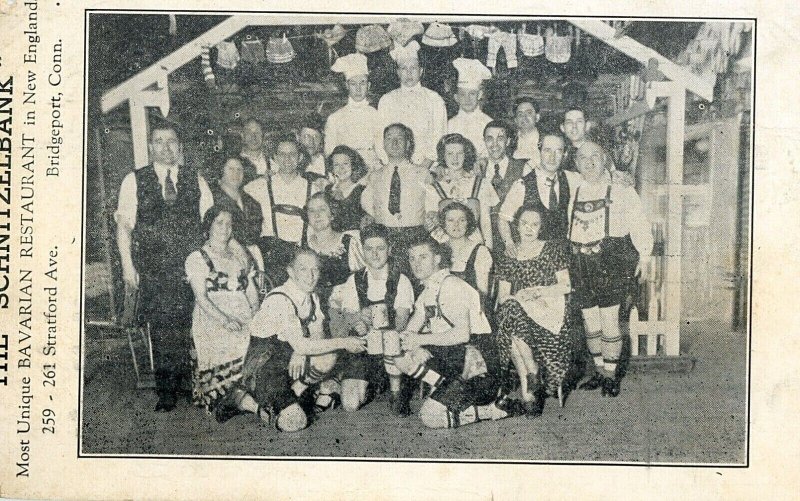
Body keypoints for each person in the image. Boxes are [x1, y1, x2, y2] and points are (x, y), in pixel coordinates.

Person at [115, 121, 213, 412]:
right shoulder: (134, 180)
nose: (166, 147)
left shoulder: (196, 180)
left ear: (180, 147)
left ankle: (191, 385)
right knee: (161, 327)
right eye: (159, 141)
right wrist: (127, 266)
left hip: (189, 266)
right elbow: (124, 229)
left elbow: (209, 226)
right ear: (150, 147)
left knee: (190, 322)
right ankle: (167, 392)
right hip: (154, 267)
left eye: (171, 141)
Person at [391, 238, 514, 428]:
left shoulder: (451, 286)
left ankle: (491, 408)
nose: (416, 263)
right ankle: (446, 390)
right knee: (398, 355)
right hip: (454, 361)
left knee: (430, 418)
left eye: (423, 257)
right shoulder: (428, 291)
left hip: (477, 369)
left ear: (437, 258)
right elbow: (408, 334)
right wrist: (414, 346)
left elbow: (462, 334)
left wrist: (419, 340)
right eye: (412, 258)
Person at [243, 249, 366, 432]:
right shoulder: (279, 298)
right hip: (265, 367)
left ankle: (297, 392)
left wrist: (299, 351)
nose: (310, 276)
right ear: (290, 272)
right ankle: (255, 404)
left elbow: (317, 337)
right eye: (303, 270)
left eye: (315, 270)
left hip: (289, 359)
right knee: (295, 423)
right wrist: (344, 342)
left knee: (328, 355)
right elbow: (301, 343)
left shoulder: (311, 296)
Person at [569, 142, 653, 397]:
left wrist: (645, 256)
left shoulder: (622, 189)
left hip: (608, 260)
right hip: (579, 262)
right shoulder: (573, 189)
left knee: (609, 321)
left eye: (595, 156)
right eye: (583, 157)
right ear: (576, 162)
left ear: (605, 159)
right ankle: (598, 370)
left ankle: (610, 375)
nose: (590, 161)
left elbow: (638, 222)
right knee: (589, 322)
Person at [494, 207, 575, 416]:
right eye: (524, 223)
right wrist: (519, 296)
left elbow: (565, 286)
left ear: (542, 227)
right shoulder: (509, 255)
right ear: (516, 226)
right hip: (521, 314)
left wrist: (537, 292)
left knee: (509, 322)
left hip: (549, 313)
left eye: (535, 224)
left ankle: (528, 388)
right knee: (509, 310)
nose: (529, 229)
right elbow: (503, 296)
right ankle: (530, 376)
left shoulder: (552, 249)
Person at [185, 207, 262, 422]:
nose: (224, 228)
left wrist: (256, 315)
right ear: (208, 225)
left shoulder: (240, 255)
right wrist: (225, 320)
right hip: (213, 317)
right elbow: (201, 298)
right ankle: (229, 397)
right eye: (219, 222)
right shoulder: (198, 257)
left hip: (242, 312)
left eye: (229, 224)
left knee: (259, 341)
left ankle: (245, 397)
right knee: (229, 340)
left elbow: (251, 290)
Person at [329, 224, 415, 413]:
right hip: (366, 347)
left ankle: (395, 392)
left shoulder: (401, 279)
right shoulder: (355, 280)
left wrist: (387, 335)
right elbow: (350, 316)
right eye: (369, 249)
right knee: (350, 405)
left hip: (392, 347)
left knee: (392, 342)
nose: (375, 254)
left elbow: (402, 320)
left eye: (380, 248)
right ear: (362, 250)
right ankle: (375, 384)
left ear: (389, 249)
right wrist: (360, 318)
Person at [244, 133, 321, 284]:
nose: (287, 159)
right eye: (282, 154)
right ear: (275, 158)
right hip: (270, 258)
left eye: (292, 154)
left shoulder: (313, 188)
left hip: (302, 256)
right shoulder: (258, 186)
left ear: (300, 158)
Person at [361, 123, 430, 277]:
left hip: (414, 236)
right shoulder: (375, 176)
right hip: (385, 236)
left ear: (408, 144)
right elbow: (366, 204)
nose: (394, 143)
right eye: (389, 138)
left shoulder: (423, 174)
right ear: (383, 144)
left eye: (400, 138)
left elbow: (432, 206)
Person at [498, 133, 575, 252]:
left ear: (564, 154)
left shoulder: (571, 179)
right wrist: (509, 244)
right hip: (533, 256)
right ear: (539, 151)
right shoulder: (522, 184)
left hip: (563, 255)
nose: (552, 157)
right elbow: (503, 218)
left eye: (558, 151)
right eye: (547, 150)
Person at [377, 40, 448, 169]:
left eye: (413, 68)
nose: (409, 73)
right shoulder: (386, 100)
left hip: (426, 168)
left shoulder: (434, 99)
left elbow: (439, 137)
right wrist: (392, 167)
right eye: (404, 68)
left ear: (421, 71)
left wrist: (422, 169)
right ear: (398, 72)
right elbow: (380, 137)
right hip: (394, 167)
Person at [425, 133, 499, 248]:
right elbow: (432, 225)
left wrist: (488, 253)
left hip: (474, 244)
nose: (455, 158)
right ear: (443, 156)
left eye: (460, 153)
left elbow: (485, 223)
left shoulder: (480, 183)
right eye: (450, 153)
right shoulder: (434, 186)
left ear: (466, 155)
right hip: (445, 246)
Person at [304, 192, 364, 312]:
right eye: (311, 211)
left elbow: (363, 281)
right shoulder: (305, 247)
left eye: (322, 209)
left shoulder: (349, 242)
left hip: (347, 310)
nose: (317, 215)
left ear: (332, 214)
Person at [325, 53, 382, 170]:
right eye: (353, 84)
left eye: (362, 83)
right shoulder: (334, 118)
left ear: (369, 85)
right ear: (346, 86)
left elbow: (381, 150)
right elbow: (329, 154)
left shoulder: (376, 115)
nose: (358, 88)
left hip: (372, 169)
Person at [482, 120, 531, 256]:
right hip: (484, 241)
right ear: (484, 141)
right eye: (489, 139)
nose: (495, 144)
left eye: (500, 138)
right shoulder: (477, 169)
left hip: (514, 241)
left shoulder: (523, 168)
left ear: (508, 141)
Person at [440, 202, 493, 310]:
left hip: (471, 310)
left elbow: (482, 295)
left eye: (462, 220)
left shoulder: (480, 252)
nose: (456, 224)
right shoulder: (437, 250)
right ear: (443, 224)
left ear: (468, 223)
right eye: (451, 220)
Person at [208, 156, 263, 246]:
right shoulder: (211, 198)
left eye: (239, 169)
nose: (236, 173)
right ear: (220, 171)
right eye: (231, 169)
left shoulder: (252, 203)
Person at [447, 58, 493, 160]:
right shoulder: (449, 125)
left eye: (472, 93)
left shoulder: (488, 123)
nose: (467, 99)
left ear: (480, 94)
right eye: (462, 94)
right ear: (456, 97)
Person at [324, 145, 369, 232]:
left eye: (345, 163)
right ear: (332, 168)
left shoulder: (361, 191)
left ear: (353, 165)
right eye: (336, 164)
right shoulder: (327, 190)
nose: (341, 168)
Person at [512, 97, 541, 168]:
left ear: (537, 117)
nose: (524, 117)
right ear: (515, 120)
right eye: (520, 114)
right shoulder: (510, 143)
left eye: (529, 113)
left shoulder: (546, 140)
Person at [560, 106, 589, 172]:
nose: (574, 126)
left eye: (579, 121)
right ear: (562, 128)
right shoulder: (560, 154)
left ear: (587, 126)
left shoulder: (598, 152)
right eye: (569, 122)